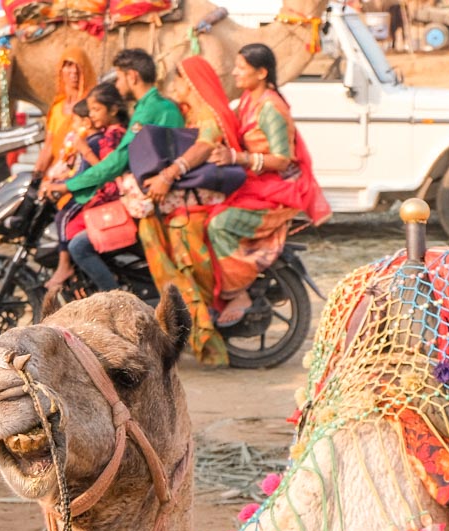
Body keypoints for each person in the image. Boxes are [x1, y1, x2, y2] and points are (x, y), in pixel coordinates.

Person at [171, 44, 330, 330]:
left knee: (219, 224)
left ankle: (238, 292)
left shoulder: (271, 107)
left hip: (278, 189)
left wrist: (237, 157)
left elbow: (283, 160)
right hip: (256, 182)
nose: (235, 73)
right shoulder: (247, 100)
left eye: (241, 68)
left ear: (261, 72)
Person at [58, 48, 185, 292]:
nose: (117, 83)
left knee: (79, 246)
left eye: (118, 77)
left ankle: (115, 305)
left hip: (152, 203)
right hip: (147, 199)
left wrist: (69, 185)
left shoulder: (151, 110)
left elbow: (119, 161)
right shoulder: (151, 107)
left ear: (132, 76)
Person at [40, 83, 128, 299]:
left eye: (96, 110)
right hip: (104, 194)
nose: (92, 116)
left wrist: (66, 185)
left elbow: (105, 171)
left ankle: (114, 299)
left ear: (113, 110)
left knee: (76, 238)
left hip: (111, 198)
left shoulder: (112, 136)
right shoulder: (106, 134)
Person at [35, 48, 95, 182]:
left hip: (80, 173)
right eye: (68, 65)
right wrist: (36, 176)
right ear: (60, 70)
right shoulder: (57, 107)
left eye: (78, 66)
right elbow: (48, 147)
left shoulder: (92, 106)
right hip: (55, 173)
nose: (74, 71)